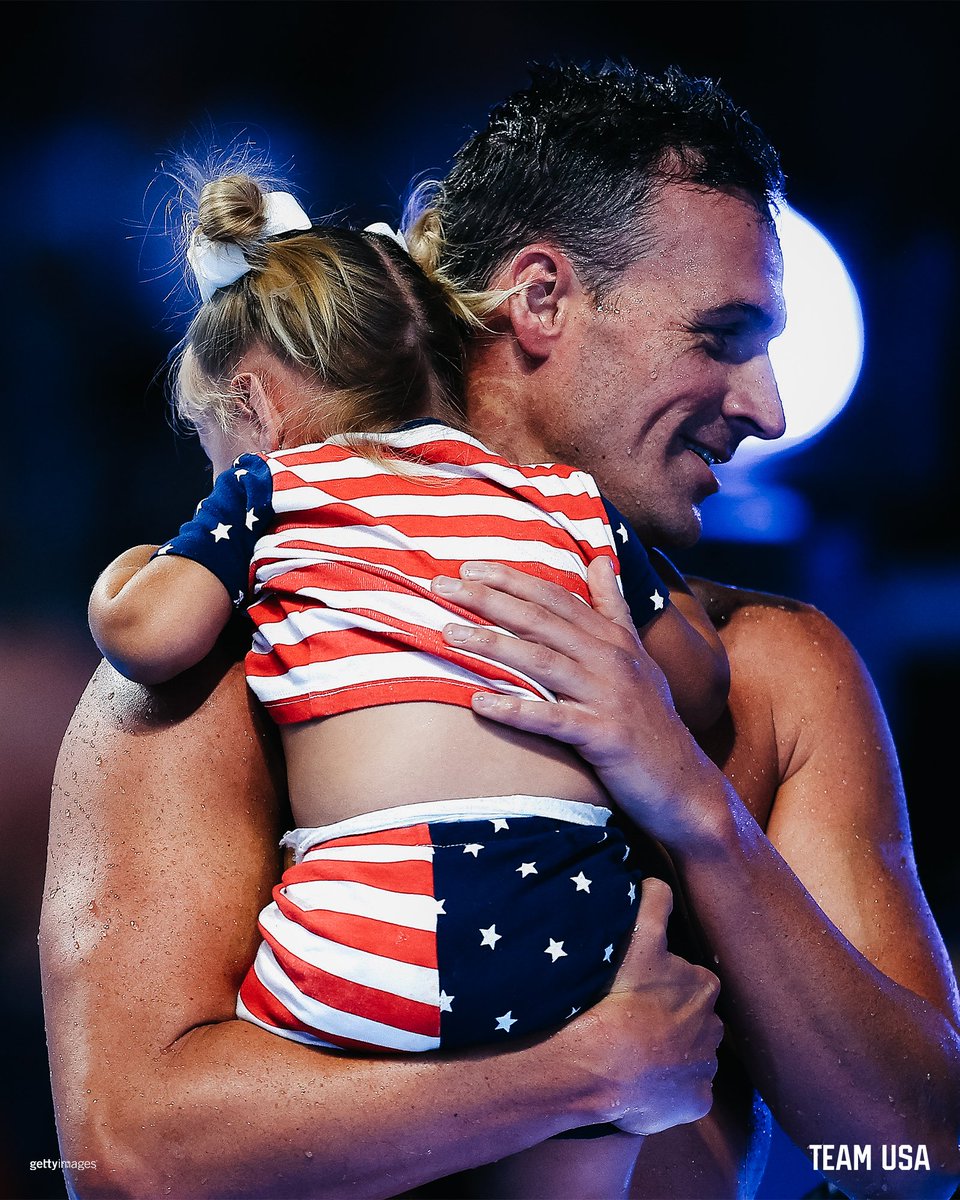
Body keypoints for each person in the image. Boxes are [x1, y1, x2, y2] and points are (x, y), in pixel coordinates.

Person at [40, 61, 960, 1200]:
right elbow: (123, 1156)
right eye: (722, 335)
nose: (769, 408)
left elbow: (916, 1159)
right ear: (539, 298)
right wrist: (574, 1078)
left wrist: (700, 811)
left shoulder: (774, 671)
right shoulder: (230, 643)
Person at [84, 162, 730, 1196]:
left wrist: (128, 575)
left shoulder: (274, 489)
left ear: (252, 402)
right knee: (593, 1156)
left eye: (208, 443)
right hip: (575, 932)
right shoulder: (563, 498)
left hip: (369, 929)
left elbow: (153, 637)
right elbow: (695, 684)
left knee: (227, 1131)